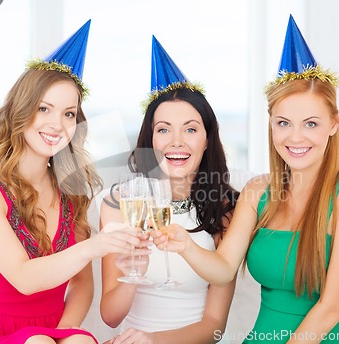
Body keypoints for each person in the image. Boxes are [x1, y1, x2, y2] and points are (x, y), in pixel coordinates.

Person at [154, 15, 339, 343]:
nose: (295, 137)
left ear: (333, 124)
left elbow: (331, 307)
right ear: (271, 124)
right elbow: (224, 269)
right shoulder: (258, 191)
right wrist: (184, 245)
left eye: (310, 123)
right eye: (284, 123)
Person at [0, 20, 140, 344]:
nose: (57, 124)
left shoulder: (71, 194)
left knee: (79, 340)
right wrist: (94, 247)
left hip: (49, 334)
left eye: (69, 113)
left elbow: (82, 285)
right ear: (20, 112)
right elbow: (24, 278)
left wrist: (62, 335)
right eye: (44, 109)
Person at [99, 35, 240, 344]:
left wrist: (153, 340)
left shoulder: (226, 207)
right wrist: (134, 273)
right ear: (151, 139)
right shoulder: (118, 203)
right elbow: (110, 315)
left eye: (190, 129)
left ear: (207, 139)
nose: (177, 141)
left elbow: (215, 327)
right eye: (164, 130)